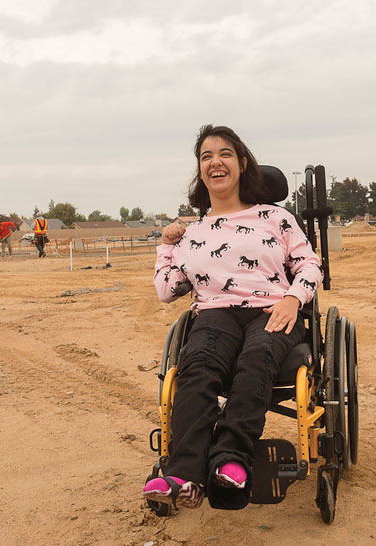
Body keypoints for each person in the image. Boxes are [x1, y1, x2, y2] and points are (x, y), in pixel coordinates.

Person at [143, 125, 322, 511]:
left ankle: (230, 460)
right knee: (199, 363)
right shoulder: (193, 233)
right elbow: (166, 290)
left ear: (241, 163)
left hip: (273, 309)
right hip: (215, 314)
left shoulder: (276, 217)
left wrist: (294, 298)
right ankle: (184, 473)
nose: (215, 162)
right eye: (206, 157)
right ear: (200, 171)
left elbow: (309, 264)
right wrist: (165, 246)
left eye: (224, 153)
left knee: (257, 357)